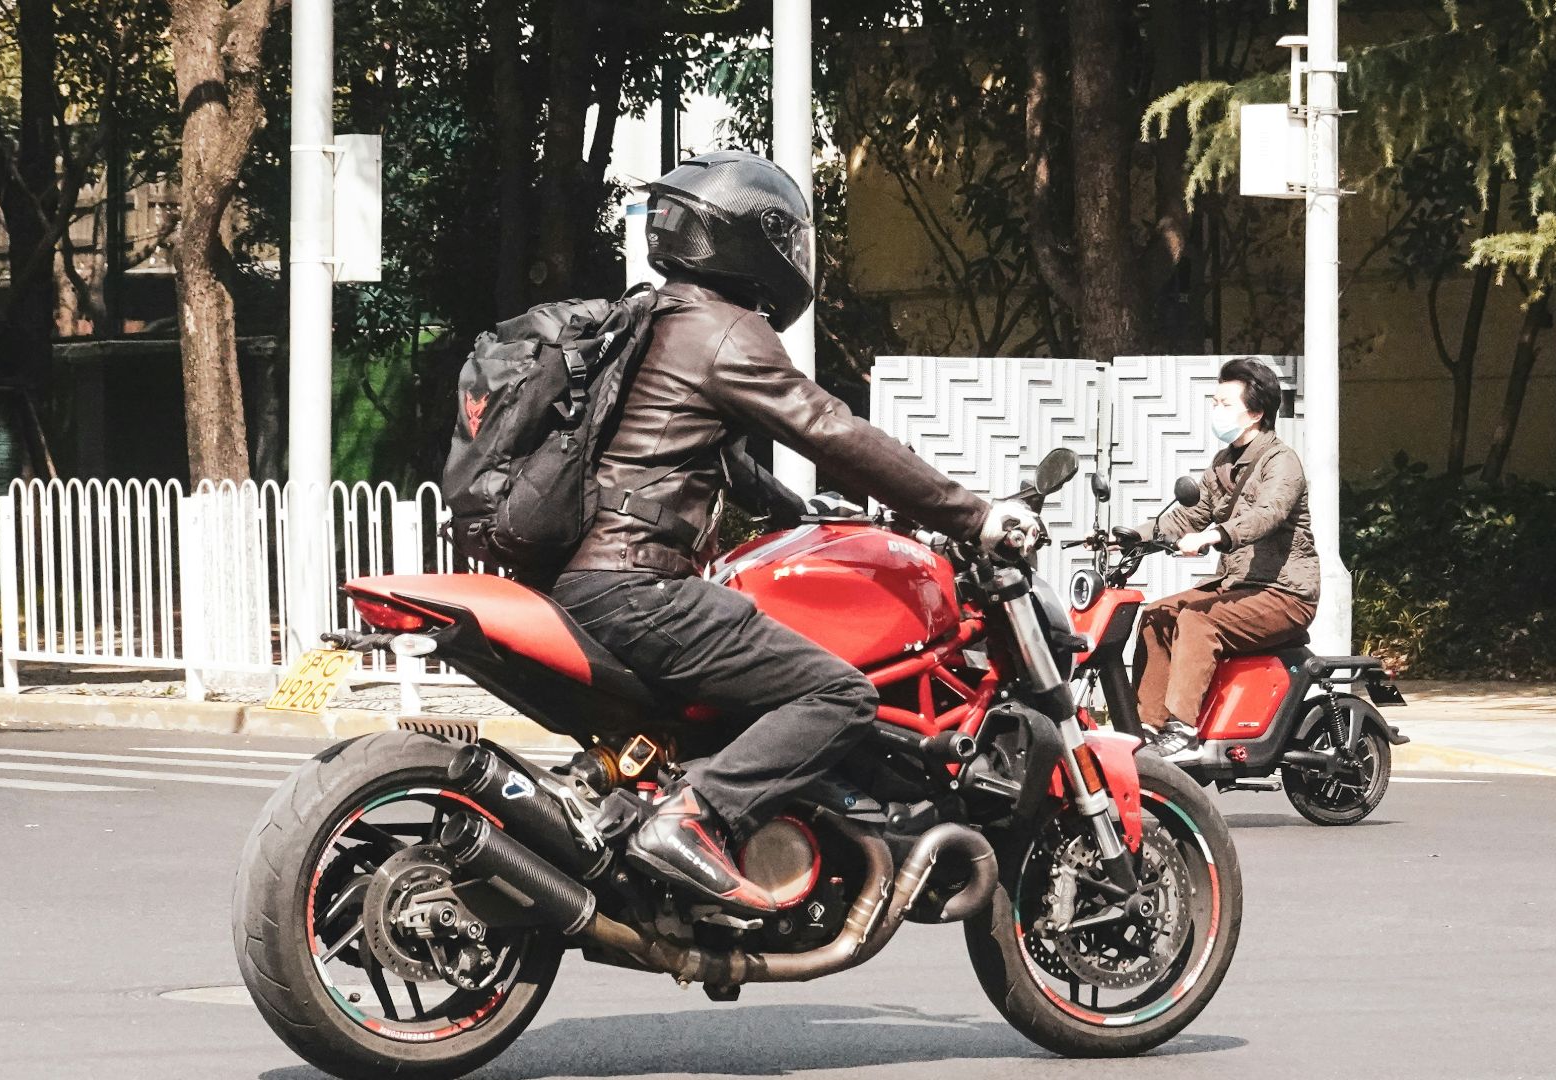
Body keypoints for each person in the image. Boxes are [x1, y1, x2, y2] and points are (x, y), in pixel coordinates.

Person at [553, 150, 1039, 914]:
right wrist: (974, 514)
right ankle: (694, 817)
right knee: (839, 694)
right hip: (639, 583)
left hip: (591, 578)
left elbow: (718, 458)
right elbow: (830, 430)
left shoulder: (658, 320)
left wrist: (794, 514)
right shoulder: (725, 330)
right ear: (754, 238)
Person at [1133, 358, 1319, 758]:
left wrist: (1216, 535)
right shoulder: (1223, 463)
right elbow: (1189, 514)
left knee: (1197, 621)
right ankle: (1148, 727)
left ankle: (1183, 731)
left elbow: (1266, 514)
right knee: (1157, 614)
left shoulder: (1281, 462)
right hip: (1239, 587)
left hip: (1284, 593)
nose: (1215, 410)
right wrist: (1132, 536)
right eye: (1213, 402)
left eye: (1224, 403)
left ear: (1255, 413)